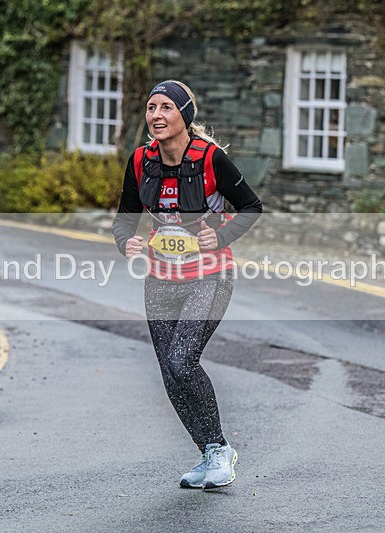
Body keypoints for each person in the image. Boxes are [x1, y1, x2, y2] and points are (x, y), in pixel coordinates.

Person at [112, 80, 262, 489]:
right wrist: (128, 243)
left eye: (166, 108)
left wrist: (224, 235)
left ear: (185, 116)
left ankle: (219, 450)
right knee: (169, 372)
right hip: (160, 280)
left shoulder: (211, 159)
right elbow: (124, 219)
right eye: (151, 108)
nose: (156, 116)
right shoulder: (141, 161)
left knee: (182, 360)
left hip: (210, 276)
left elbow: (251, 206)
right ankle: (210, 451)